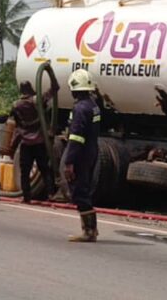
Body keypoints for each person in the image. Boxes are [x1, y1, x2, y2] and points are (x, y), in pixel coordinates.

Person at [62, 69, 101, 242]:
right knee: (84, 189)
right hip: (92, 151)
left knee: (79, 191)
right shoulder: (94, 106)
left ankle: (89, 231)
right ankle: (91, 229)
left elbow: (76, 137)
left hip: (81, 155)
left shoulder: (80, 108)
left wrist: (69, 162)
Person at [10, 76, 59, 204]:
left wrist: (12, 146)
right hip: (39, 142)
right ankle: (50, 194)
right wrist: (52, 75)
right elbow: (55, 89)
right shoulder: (37, 100)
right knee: (44, 169)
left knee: (25, 172)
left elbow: (16, 127)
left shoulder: (15, 105)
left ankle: (26, 197)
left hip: (26, 143)